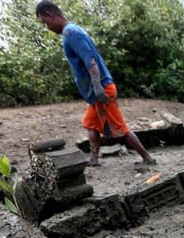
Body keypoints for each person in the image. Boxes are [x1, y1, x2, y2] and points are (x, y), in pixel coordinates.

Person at [35, 1, 155, 167]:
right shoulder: (71, 31)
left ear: (50, 15)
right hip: (96, 91)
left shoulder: (71, 33)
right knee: (90, 123)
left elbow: (90, 60)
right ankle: (94, 159)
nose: (46, 26)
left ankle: (148, 158)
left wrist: (98, 87)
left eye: (45, 22)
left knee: (120, 129)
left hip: (102, 90)